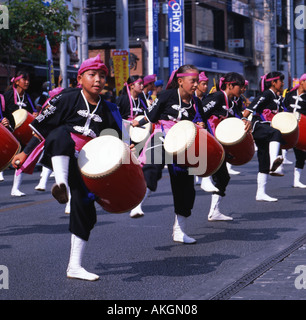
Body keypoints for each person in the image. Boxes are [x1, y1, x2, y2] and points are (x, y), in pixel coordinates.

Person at [11, 54, 127, 281]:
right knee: (61, 133)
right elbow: (42, 129)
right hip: (62, 154)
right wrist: (25, 152)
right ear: (80, 78)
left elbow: (112, 144)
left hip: (88, 165)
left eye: (102, 76)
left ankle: (74, 266)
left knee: (86, 212)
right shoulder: (66, 98)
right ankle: (60, 184)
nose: (98, 80)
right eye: (92, 75)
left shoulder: (110, 109)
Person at [137, 64, 204, 244]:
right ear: (180, 81)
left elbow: (202, 123)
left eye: (197, 81)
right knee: (152, 168)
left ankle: (179, 231)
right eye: (193, 81)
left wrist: (201, 127)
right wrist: (137, 128)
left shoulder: (196, 102)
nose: (196, 85)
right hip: (163, 137)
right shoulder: (166, 96)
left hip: (184, 145)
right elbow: (151, 116)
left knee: (186, 190)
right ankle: (138, 203)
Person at [200, 72, 252, 221]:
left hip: (219, 145)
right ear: (230, 85)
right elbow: (200, 112)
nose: (243, 90)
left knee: (223, 178)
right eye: (240, 87)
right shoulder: (216, 97)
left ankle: (214, 211)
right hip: (208, 140)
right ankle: (203, 176)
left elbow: (237, 119)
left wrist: (245, 120)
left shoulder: (233, 103)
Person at [243, 72, 285, 201]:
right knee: (276, 133)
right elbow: (251, 107)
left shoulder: (278, 98)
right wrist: (244, 118)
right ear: (273, 83)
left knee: (263, 158)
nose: (282, 83)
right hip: (259, 126)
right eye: (280, 81)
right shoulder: (267, 94)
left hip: (267, 130)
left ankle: (260, 193)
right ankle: (275, 162)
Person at [116, 75, 151, 218]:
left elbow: (148, 117)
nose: (142, 86)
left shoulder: (143, 100)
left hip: (141, 138)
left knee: (140, 168)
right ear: (131, 86)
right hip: (126, 136)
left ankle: (137, 204)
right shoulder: (123, 100)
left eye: (142, 84)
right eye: (139, 84)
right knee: (125, 168)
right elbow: (116, 117)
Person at [3, 70, 38, 197]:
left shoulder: (28, 97)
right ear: (17, 82)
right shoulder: (7, 96)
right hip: (8, 131)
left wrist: (35, 115)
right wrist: (2, 120)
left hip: (21, 133)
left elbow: (32, 112)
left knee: (21, 160)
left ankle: (15, 188)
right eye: (24, 79)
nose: (27, 82)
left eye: (28, 80)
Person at [284, 73, 306, 188]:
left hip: (302, 127)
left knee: (301, 153)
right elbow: (283, 107)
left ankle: (296, 180)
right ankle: (279, 163)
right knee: (279, 142)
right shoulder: (290, 94)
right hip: (288, 125)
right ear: (302, 82)